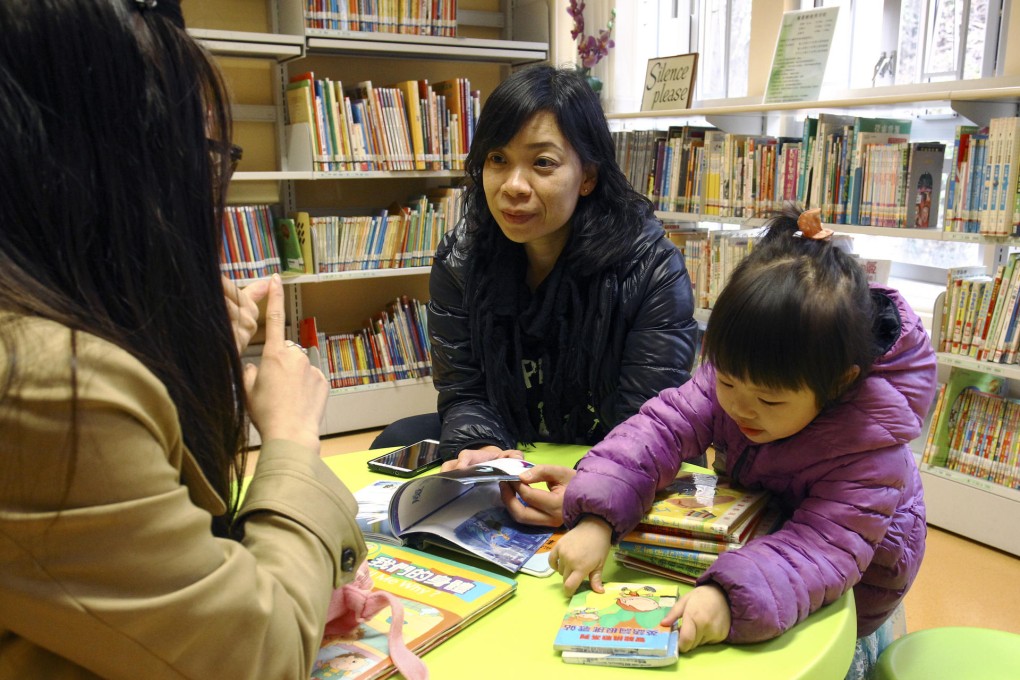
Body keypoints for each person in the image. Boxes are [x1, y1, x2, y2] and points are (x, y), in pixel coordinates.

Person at [0, 1, 365, 677]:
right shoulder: (49, 383)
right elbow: (257, 655)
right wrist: (288, 438)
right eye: (193, 148)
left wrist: (173, 354)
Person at [540, 206, 937, 678]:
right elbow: (659, 430)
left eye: (769, 402)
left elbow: (821, 549)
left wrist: (728, 598)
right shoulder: (737, 378)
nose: (741, 409)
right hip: (769, 532)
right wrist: (595, 517)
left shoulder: (870, 447)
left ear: (837, 383)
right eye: (727, 383)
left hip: (856, 579)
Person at [372, 64, 699, 477]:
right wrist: (480, 446)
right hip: (514, 441)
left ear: (588, 177)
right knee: (397, 440)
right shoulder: (461, 261)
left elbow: (648, 418)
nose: (513, 185)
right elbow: (465, 392)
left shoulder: (650, 266)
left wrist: (595, 480)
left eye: (542, 163)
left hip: (616, 447)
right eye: (497, 159)